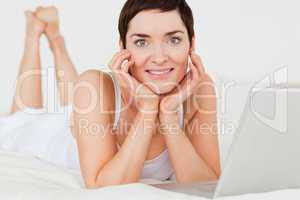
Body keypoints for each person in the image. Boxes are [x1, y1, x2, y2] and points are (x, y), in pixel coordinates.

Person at [73, 0, 220, 189]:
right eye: (141, 42)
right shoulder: (93, 86)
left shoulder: (200, 90)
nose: (159, 58)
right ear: (123, 48)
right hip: (46, 134)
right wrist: (148, 110)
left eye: (174, 40)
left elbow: (209, 185)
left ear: (191, 44)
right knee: (24, 119)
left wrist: (168, 115)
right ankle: (54, 41)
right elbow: (102, 189)